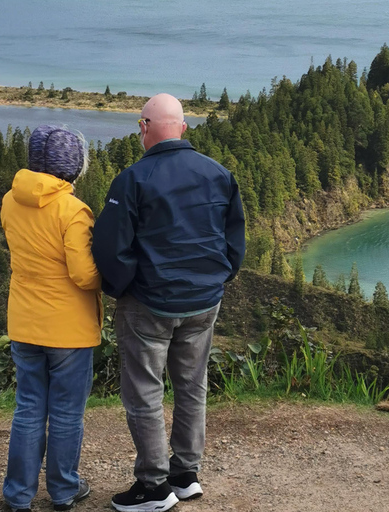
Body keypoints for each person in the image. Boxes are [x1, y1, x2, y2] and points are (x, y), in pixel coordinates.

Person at [92, 93, 245, 512]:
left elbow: (110, 246)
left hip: (150, 303)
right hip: (203, 301)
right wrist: (219, 278)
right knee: (192, 386)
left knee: (144, 391)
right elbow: (234, 239)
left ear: (143, 127)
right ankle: (185, 474)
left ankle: (152, 487)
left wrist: (124, 287)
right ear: (183, 127)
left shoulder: (133, 179)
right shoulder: (218, 173)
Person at [1, 125, 101, 512]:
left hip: (24, 321)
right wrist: (109, 276)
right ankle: (63, 491)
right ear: (73, 166)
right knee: (65, 412)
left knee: (28, 407)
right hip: (68, 329)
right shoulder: (72, 210)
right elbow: (83, 274)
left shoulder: (10, 201)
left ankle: (18, 496)